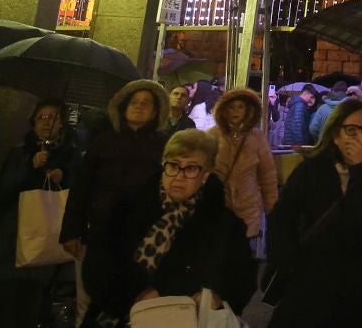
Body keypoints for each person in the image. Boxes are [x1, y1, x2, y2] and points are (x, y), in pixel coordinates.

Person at [81, 128, 256, 327]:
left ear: (205, 175)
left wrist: (214, 296)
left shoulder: (224, 223)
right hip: (123, 316)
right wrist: (132, 297)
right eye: (173, 165)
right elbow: (97, 263)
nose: (179, 176)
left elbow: (242, 277)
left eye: (191, 168)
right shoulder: (127, 208)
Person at [265, 99, 362, 328]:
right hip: (310, 283)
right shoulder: (312, 169)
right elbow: (282, 216)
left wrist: (361, 170)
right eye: (351, 130)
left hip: (354, 289)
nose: (360, 137)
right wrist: (289, 261)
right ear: (336, 135)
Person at [62, 79, 170, 278]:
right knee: (90, 291)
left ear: (155, 112)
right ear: (124, 107)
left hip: (143, 234)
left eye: (146, 103)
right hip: (99, 230)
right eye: (134, 102)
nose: (139, 106)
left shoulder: (165, 146)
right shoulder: (104, 141)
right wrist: (71, 231)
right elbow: (82, 186)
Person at [0, 99, 81, 324]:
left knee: (36, 297)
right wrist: (30, 167)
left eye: (53, 117)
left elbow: (79, 190)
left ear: (62, 124)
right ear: (33, 123)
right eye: (42, 117)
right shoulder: (20, 151)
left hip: (48, 234)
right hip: (15, 232)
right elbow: (3, 189)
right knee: (7, 294)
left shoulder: (72, 154)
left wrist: (64, 175)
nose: (47, 122)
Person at [211, 88, 278, 246]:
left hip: (248, 211)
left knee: (244, 256)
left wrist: (272, 213)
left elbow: (267, 177)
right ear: (224, 110)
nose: (236, 111)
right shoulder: (212, 136)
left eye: (240, 107)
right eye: (231, 107)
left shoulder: (257, 138)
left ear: (248, 109)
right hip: (219, 207)